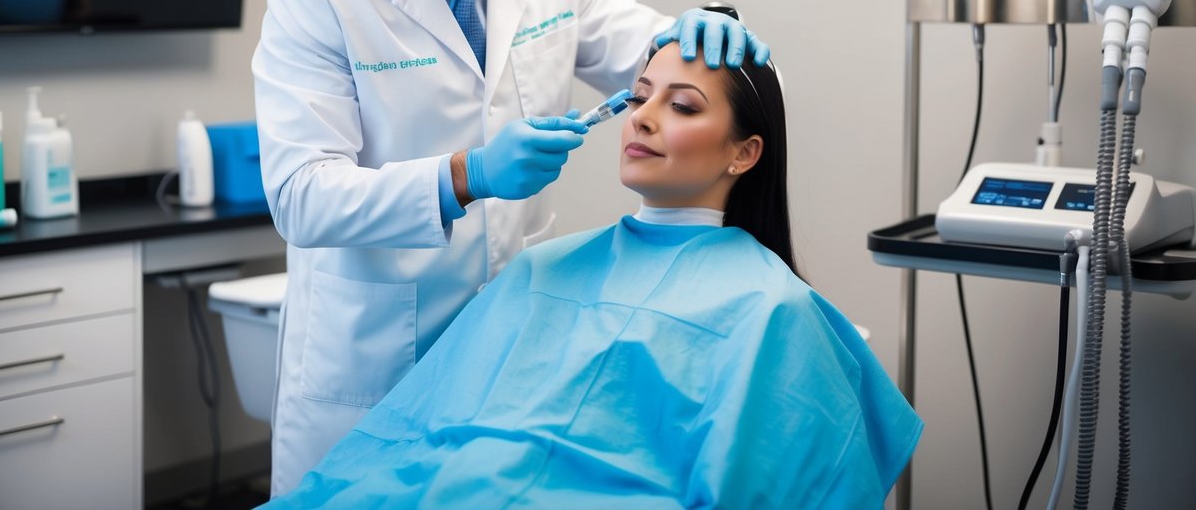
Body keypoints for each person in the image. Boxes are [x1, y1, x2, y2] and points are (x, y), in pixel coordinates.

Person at [252, 0, 771, 495]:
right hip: (376, 367)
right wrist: (468, 176)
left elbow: (654, 53)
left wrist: (709, 33)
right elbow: (300, 196)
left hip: (511, 362)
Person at [261, 41, 923, 509]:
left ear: (744, 152)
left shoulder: (770, 309)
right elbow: (412, 437)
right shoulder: (540, 268)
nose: (641, 115)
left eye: (683, 106)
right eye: (638, 96)